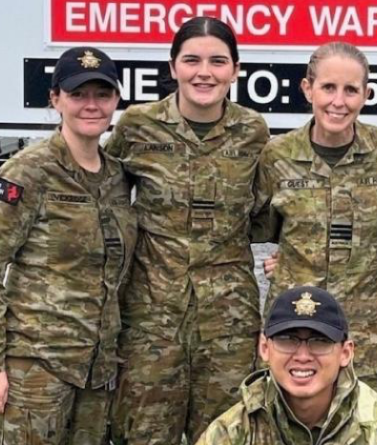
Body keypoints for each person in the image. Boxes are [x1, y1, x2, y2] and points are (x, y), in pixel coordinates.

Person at [105, 17, 270, 444]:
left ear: (235, 70)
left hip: (228, 322)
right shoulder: (138, 125)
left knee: (226, 435)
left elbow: (268, 209)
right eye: (192, 60)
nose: (204, 72)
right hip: (151, 320)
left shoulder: (252, 131)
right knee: (144, 434)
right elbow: (105, 199)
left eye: (218, 61)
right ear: (173, 66)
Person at [0, 47, 136, 444]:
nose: (91, 105)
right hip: (36, 368)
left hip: (96, 371)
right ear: (55, 99)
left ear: (116, 101)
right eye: (78, 94)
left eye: (102, 94)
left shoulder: (117, 177)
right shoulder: (29, 172)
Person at [251, 42, 377, 405]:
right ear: (308, 89)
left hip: (369, 335)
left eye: (351, 90)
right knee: (288, 423)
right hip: (296, 332)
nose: (339, 101)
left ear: (366, 94)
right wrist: (293, 258)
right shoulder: (278, 156)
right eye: (328, 87)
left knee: (371, 425)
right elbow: (264, 225)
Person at [196, 286, 377, 445]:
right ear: (264, 348)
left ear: (345, 353)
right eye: (287, 340)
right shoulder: (232, 432)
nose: (302, 356)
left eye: (320, 341)